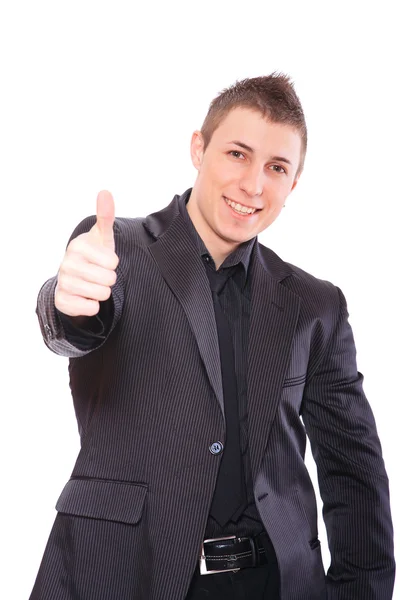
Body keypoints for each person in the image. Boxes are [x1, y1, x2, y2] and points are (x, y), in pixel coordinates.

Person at [30, 74, 395, 600]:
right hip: (122, 572)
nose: (253, 185)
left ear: (293, 187)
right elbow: (76, 322)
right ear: (198, 149)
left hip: (276, 582)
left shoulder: (315, 306)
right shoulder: (121, 250)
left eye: (276, 168)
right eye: (238, 154)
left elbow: (354, 472)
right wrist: (65, 302)